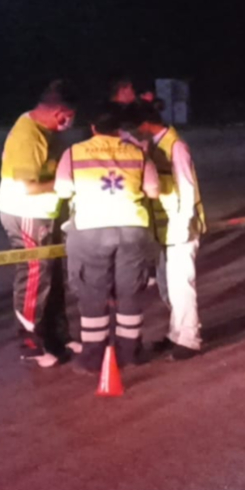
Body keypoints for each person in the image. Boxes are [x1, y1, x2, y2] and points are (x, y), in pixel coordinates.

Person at [55, 107, 159, 373]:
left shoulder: (74, 153)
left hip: (90, 228)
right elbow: (153, 191)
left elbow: (63, 189)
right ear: (118, 130)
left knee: (92, 292)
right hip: (132, 227)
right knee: (129, 291)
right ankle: (131, 352)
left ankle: (93, 357)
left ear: (93, 128)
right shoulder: (137, 153)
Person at [0, 80, 76, 368]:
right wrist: (65, 182)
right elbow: (28, 186)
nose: (69, 123)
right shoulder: (27, 136)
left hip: (44, 212)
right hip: (26, 212)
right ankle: (29, 340)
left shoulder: (44, 130)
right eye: (69, 116)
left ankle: (58, 335)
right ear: (58, 111)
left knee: (51, 274)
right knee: (34, 275)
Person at [132, 102, 205, 361]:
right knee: (170, 287)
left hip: (179, 226)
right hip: (166, 229)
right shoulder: (157, 145)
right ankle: (176, 334)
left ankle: (189, 339)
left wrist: (184, 224)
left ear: (145, 124)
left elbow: (186, 186)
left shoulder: (176, 146)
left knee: (181, 285)